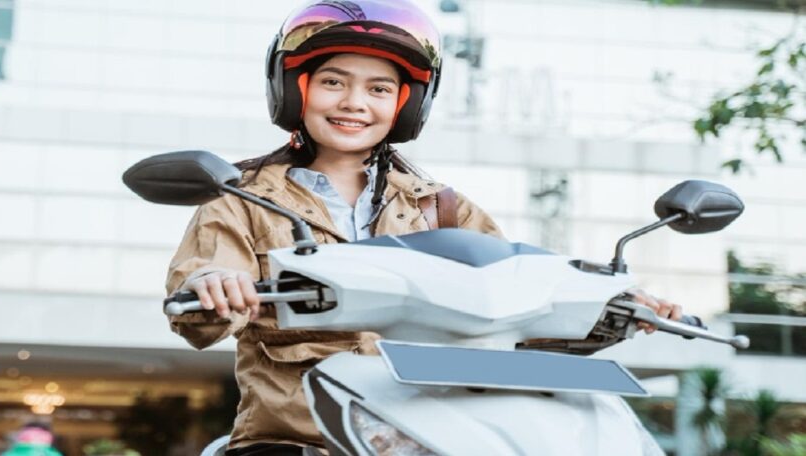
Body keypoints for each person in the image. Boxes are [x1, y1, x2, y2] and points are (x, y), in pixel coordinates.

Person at [163, 1, 685, 454]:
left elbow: (521, 302)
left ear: (406, 104)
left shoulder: (443, 210)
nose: (353, 102)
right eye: (332, 82)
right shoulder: (243, 198)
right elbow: (201, 300)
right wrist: (212, 286)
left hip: (437, 432)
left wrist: (614, 305)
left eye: (379, 88)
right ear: (296, 90)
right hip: (301, 439)